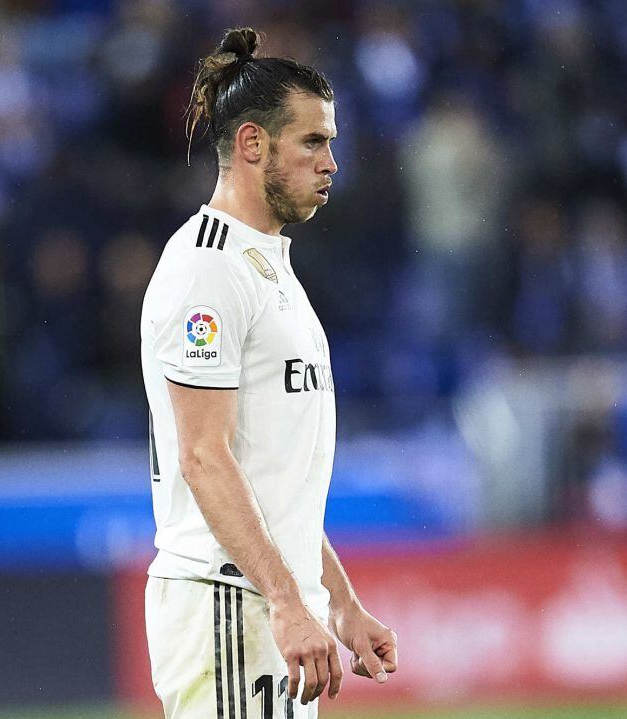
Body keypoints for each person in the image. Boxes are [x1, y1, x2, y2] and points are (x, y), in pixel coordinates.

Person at [140, 27, 397, 719]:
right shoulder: (207, 267)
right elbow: (202, 454)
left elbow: (271, 476)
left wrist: (338, 602)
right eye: (313, 142)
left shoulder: (268, 267)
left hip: (266, 602)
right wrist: (287, 602)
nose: (332, 162)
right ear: (253, 144)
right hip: (228, 601)